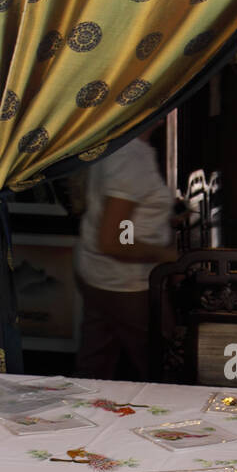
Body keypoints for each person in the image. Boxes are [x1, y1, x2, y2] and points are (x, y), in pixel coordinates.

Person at [74, 125, 178, 380]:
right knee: (167, 368)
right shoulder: (131, 158)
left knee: (95, 367)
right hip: (127, 285)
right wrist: (171, 258)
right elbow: (115, 242)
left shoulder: (117, 147)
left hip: (100, 276)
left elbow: (125, 221)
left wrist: (162, 220)